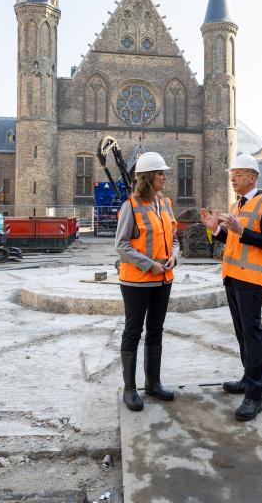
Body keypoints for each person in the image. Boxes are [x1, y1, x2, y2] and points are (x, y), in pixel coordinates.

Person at [200, 153, 262, 421]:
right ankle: (248, 379)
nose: (232, 177)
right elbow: (233, 240)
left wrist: (241, 231)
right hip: (233, 277)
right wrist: (216, 230)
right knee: (242, 334)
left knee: (252, 333)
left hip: (251, 280)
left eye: (238, 173)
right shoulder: (236, 207)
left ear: (253, 177)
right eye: (232, 173)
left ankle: (255, 396)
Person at [115, 151, 179, 412]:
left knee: (155, 330)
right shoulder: (130, 206)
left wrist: (174, 257)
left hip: (164, 280)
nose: (164, 177)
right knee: (133, 331)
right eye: (160, 173)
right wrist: (149, 264)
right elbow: (121, 245)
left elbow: (174, 238)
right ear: (147, 177)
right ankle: (130, 389)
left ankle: (153, 383)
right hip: (137, 282)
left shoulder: (165, 204)